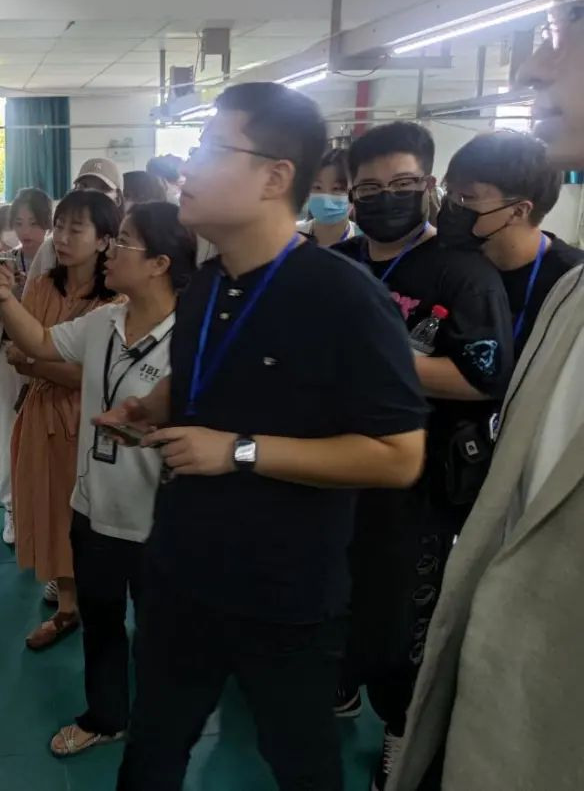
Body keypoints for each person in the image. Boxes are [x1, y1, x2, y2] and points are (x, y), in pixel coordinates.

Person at [97, 82, 429, 791]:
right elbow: (206, 379)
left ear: (276, 177)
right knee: (150, 756)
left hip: (285, 596)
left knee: (302, 766)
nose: (189, 167)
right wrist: (151, 408)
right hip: (181, 575)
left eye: (211, 149)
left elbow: (399, 456)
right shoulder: (207, 285)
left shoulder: (344, 297)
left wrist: (239, 451)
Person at [391, 0, 584, 789]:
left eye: (468, 203)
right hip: (453, 471)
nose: (451, 213)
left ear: (520, 209)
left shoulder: (564, 281)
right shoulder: (448, 271)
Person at [333, 122, 515, 791]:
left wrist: (378, 361)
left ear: (430, 186)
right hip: (335, 469)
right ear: (352, 195)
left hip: (419, 482)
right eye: (370, 187)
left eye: (403, 183)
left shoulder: (461, 273)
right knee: (337, 595)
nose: (386, 197)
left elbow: (481, 377)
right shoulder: (338, 263)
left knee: (403, 618)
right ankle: (342, 686)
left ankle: (402, 734)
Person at [0, 202, 195, 758]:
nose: (110, 250)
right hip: (93, 506)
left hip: (157, 518)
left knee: (160, 633)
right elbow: (41, 342)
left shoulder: (192, 340)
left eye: (123, 241)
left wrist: (152, 431)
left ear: (159, 263)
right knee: (102, 622)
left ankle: (162, 724)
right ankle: (106, 716)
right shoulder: (104, 322)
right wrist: (4, 296)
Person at [8, 189, 122, 651]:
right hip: (42, 414)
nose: (63, 237)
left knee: (92, 516)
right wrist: (43, 362)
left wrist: (38, 361)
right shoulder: (41, 287)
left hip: (89, 419)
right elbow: (17, 352)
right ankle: (67, 607)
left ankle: (102, 601)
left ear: (104, 240)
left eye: (77, 229)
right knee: (53, 508)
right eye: (59, 227)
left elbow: (89, 373)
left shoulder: (115, 300)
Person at [441, 130, 582, 356]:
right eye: (449, 192)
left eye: (467, 197)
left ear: (518, 211)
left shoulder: (572, 284)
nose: (451, 204)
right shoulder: (453, 260)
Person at [0, 187, 53, 544]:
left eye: (34, 223)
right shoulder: (4, 261)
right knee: (6, 431)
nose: (26, 231)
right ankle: (11, 508)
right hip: (7, 356)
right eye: (20, 223)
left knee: (43, 434)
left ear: (47, 224)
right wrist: (6, 293)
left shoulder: (58, 260)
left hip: (46, 360)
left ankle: (41, 508)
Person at [25, 157, 125, 285]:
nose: (91, 196)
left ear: (118, 199)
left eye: (102, 189)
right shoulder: (51, 248)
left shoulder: (125, 251)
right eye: (83, 187)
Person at [298, 147, 360, 245]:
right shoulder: (292, 236)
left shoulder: (365, 241)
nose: (326, 200)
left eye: (337, 188)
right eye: (317, 187)